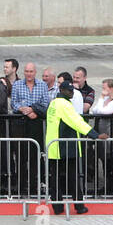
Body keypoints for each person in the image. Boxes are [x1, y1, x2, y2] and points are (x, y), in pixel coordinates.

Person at [44, 81, 102, 214]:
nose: (71, 93)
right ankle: (79, 206)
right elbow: (76, 121)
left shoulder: (53, 103)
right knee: (73, 178)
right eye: (69, 91)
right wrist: (94, 135)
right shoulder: (64, 105)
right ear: (62, 90)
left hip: (53, 146)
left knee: (55, 178)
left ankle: (57, 207)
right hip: (65, 147)